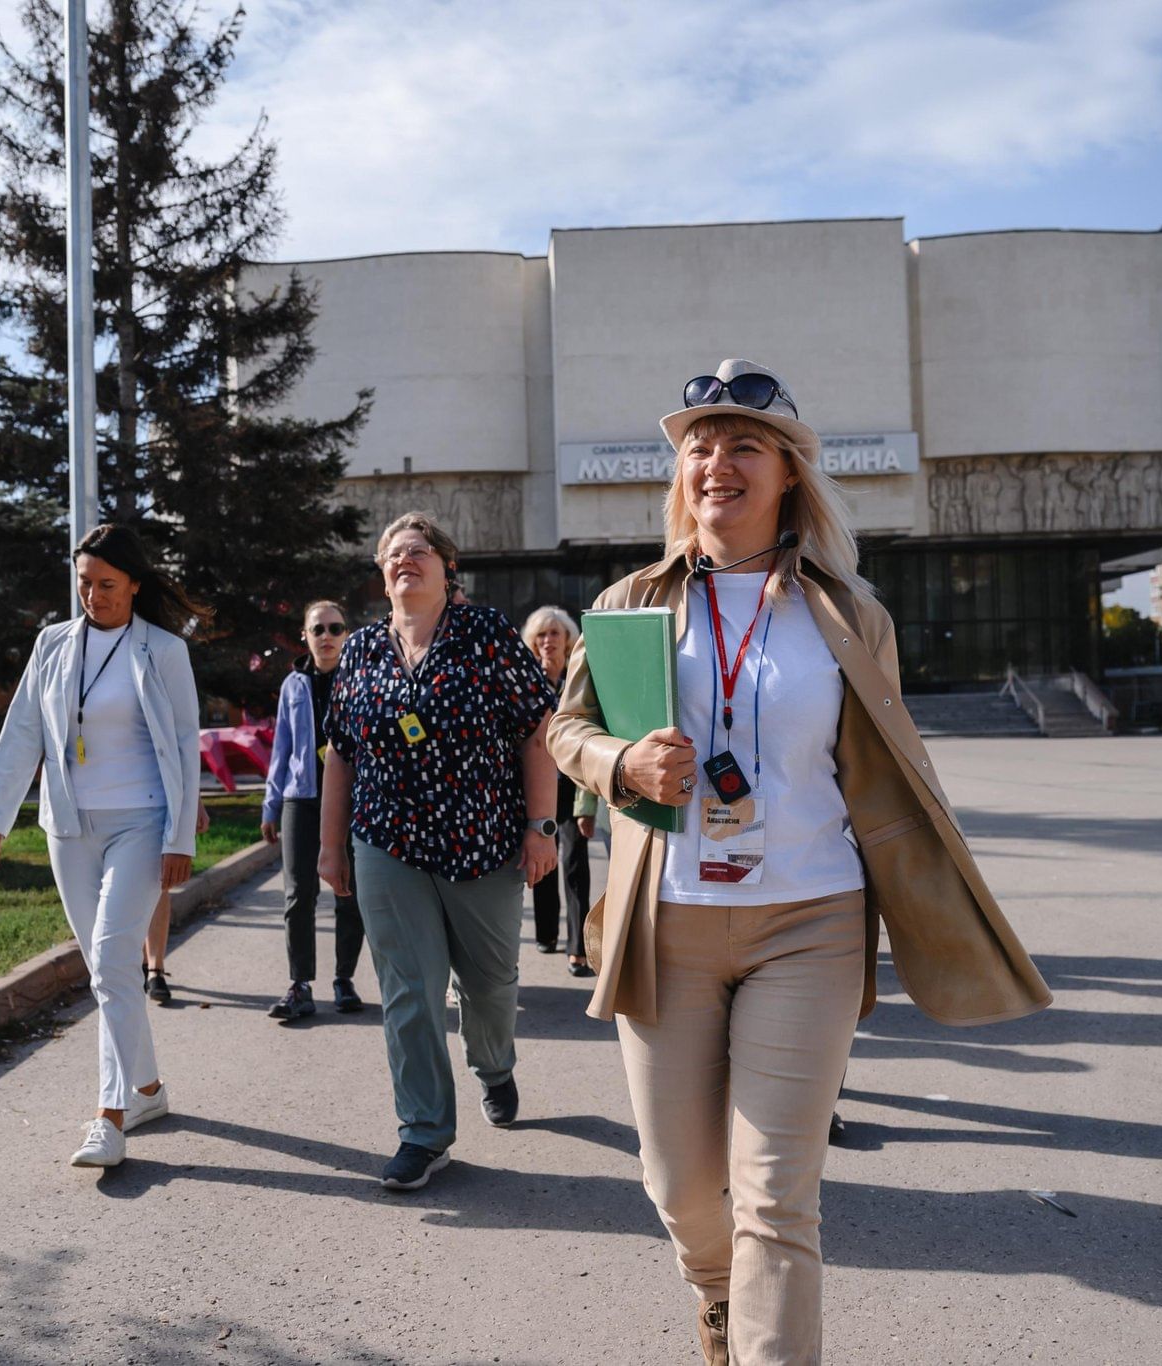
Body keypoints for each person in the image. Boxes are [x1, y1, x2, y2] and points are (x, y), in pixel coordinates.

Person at [547, 360, 1051, 1365]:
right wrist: (619, 761)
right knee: (682, 1188)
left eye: (742, 445)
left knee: (776, 1195)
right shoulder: (630, 602)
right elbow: (565, 731)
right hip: (668, 924)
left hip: (808, 921)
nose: (715, 463)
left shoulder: (848, 615)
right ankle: (715, 1294)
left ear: (786, 475)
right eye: (698, 444)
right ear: (679, 473)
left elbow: (888, 765)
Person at [318, 512, 560, 1191]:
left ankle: (494, 1063)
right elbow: (341, 752)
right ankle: (423, 1132)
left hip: (482, 842)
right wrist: (331, 847)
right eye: (394, 553)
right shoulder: (362, 650)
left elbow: (535, 732)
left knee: (488, 984)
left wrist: (540, 828)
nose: (406, 560)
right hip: (386, 841)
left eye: (420, 550)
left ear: (447, 568)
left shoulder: (485, 636)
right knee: (409, 992)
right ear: (381, 574)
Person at [0, 522, 206, 1170]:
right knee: (106, 970)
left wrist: (180, 834)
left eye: (106, 584)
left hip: (141, 821)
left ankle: (110, 1117)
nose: (93, 595)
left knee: (110, 960)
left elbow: (185, 745)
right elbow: (24, 729)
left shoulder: (162, 650)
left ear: (134, 584)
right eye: (84, 583)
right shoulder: (52, 644)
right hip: (68, 826)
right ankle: (151, 1090)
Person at [260, 599, 367, 1019]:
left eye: (335, 628)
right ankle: (300, 984)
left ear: (347, 634)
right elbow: (281, 749)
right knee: (298, 894)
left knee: (349, 894)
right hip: (301, 799)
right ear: (305, 636)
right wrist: (271, 805)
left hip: (353, 800)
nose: (326, 636)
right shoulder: (293, 685)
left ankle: (344, 979)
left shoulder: (360, 679)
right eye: (317, 629)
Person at [519, 605, 597, 977]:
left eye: (555, 634)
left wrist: (588, 802)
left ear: (567, 640)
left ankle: (578, 949)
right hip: (535, 788)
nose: (548, 641)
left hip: (572, 785)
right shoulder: (525, 680)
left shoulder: (578, 680)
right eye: (541, 634)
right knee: (543, 862)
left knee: (574, 863)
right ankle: (546, 933)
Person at [142, 798, 213, 1004]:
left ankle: (155, 968)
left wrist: (195, 802)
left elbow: (186, 764)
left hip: (154, 798)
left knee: (157, 879)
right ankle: (141, 963)